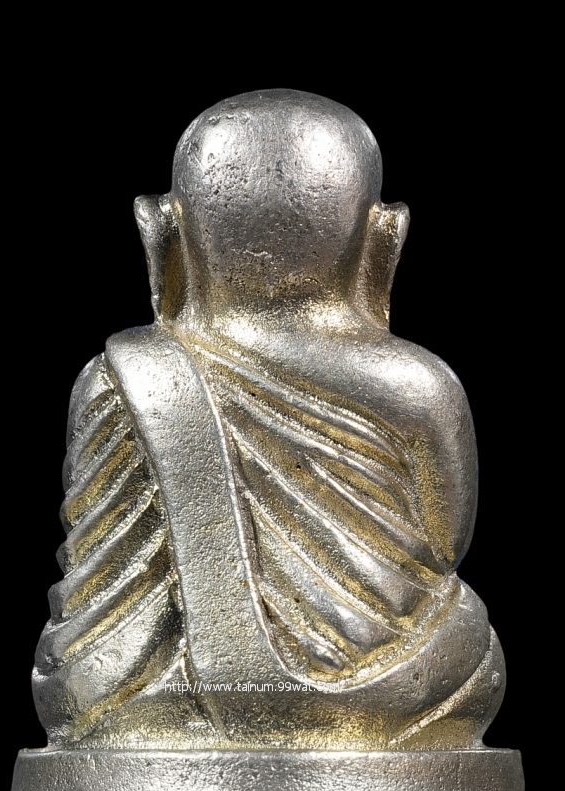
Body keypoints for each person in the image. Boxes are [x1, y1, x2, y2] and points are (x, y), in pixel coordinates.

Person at [32, 90, 505, 751]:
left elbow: (90, 564)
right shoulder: (417, 386)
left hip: (126, 695)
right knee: (468, 634)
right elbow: (444, 543)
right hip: (379, 696)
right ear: (384, 239)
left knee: (74, 675)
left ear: (159, 232)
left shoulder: (111, 378)